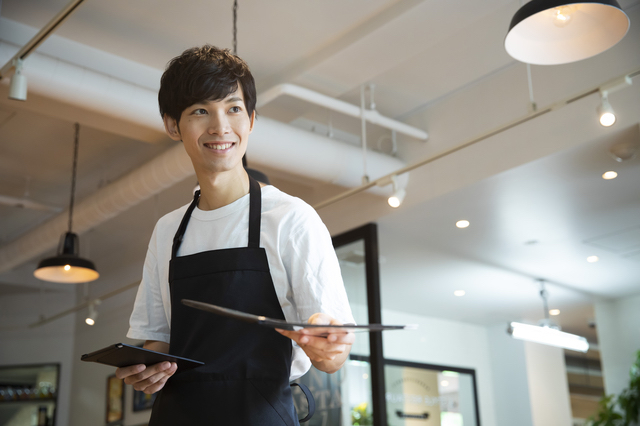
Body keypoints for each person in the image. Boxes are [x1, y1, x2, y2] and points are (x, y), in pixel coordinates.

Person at [115, 45, 355, 425]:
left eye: (233, 109)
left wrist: (329, 350)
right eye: (200, 111)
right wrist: (149, 370)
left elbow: (334, 354)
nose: (220, 127)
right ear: (172, 125)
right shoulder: (168, 230)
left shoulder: (292, 219)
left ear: (252, 120)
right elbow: (156, 340)